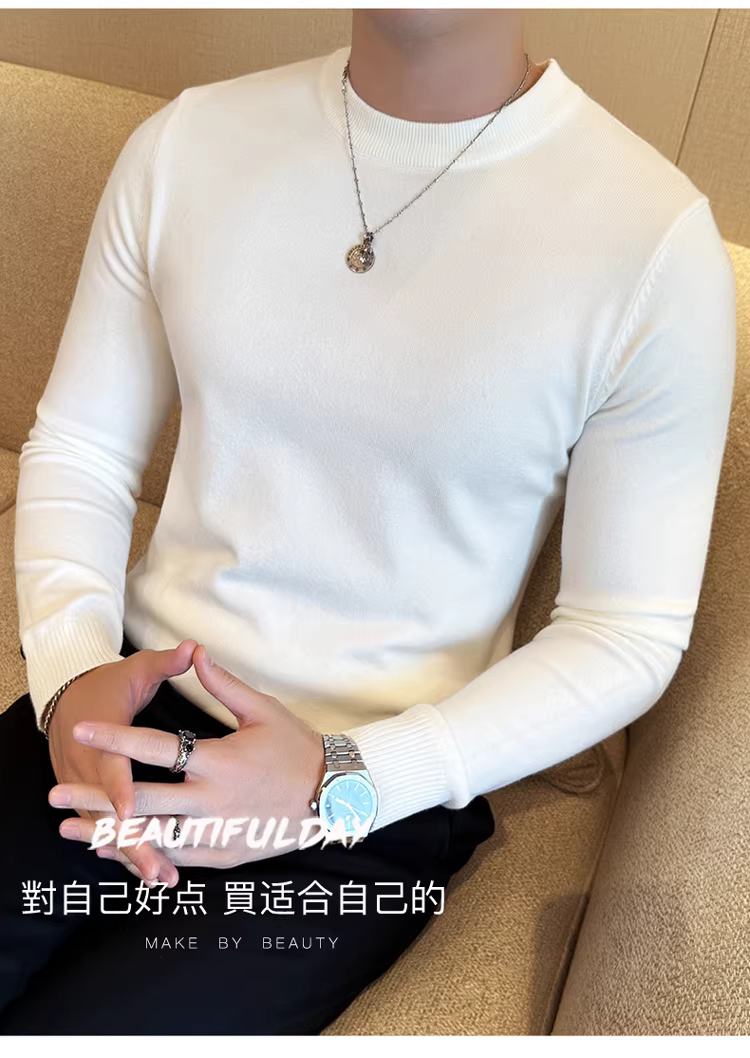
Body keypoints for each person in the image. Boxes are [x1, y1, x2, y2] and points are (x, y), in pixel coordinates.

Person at [0, 6, 736, 1035]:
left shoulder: (653, 243)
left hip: (374, 792)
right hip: (124, 697)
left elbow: (627, 629)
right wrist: (69, 674)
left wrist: (342, 781)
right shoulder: (187, 144)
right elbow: (83, 448)